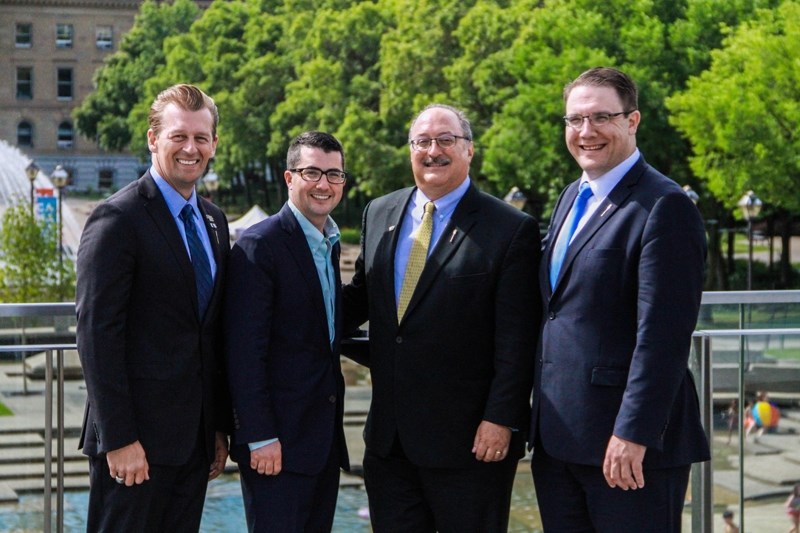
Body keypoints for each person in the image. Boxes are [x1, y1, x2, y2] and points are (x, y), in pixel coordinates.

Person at [343, 103, 541, 531]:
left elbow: (517, 339)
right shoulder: (380, 213)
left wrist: (501, 419)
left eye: (446, 140)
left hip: (471, 445)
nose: (433, 150)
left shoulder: (509, 228)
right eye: (422, 141)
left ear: (469, 150)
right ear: (410, 150)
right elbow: (359, 301)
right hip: (389, 445)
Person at [530, 67, 710, 532]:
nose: (585, 132)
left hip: (627, 449)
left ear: (632, 122)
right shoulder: (573, 195)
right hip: (560, 442)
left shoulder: (665, 205)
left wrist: (634, 432)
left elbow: (663, 338)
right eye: (574, 120)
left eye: (600, 118)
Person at [76, 84, 231, 531]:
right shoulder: (117, 218)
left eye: (201, 138)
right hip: (134, 447)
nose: (191, 148)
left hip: (194, 445)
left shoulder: (214, 220)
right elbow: (96, 335)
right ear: (152, 139)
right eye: (178, 136)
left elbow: (209, 333)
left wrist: (217, 427)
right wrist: (119, 438)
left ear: (214, 144)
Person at [224, 131, 350, 532]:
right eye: (311, 172)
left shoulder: (329, 242)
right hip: (275, 445)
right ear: (289, 177)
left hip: (321, 442)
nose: (323, 184)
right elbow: (244, 352)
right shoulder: (259, 246)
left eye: (334, 174)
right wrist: (259, 436)